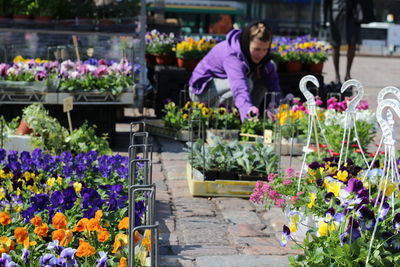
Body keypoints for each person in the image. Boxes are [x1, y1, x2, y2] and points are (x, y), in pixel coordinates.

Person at [188, 21, 281, 122]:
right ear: (247, 43)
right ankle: (223, 118)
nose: (261, 54)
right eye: (256, 49)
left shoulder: (261, 57)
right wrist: (247, 117)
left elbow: (273, 84)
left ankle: (252, 113)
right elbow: (239, 88)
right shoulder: (232, 55)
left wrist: (275, 107)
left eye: (265, 49)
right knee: (247, 84)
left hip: (224, 85)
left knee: (268, 71)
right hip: (201, 91)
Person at [321, 0, 361, 84]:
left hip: (352, 14)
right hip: (336, 15)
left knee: (352, 43)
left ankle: (348, 74)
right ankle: (337, 76)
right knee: (335, 45)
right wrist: (323, 19)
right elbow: (324, 2)